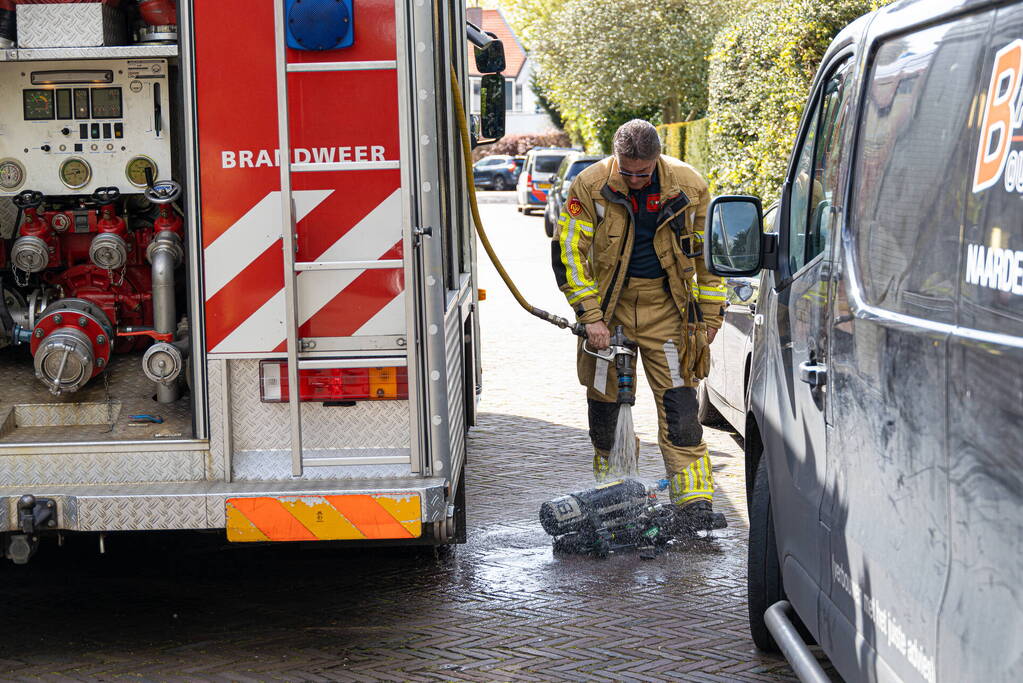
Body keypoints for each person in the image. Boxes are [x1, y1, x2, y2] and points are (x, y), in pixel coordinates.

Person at [551, 119, 728, 530]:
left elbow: (710, 258)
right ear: (616, 158)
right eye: (626, 172)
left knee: (681, 410)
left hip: (667, 310)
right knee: (605, 411)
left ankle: (694, 504)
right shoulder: (589, 185)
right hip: (608, 311)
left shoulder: (688, 186)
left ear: (657, 159)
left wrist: (710, 317)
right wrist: (591, 316)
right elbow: (569, 253)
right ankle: (614, 497)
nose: (634, 180)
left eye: (643, 173)